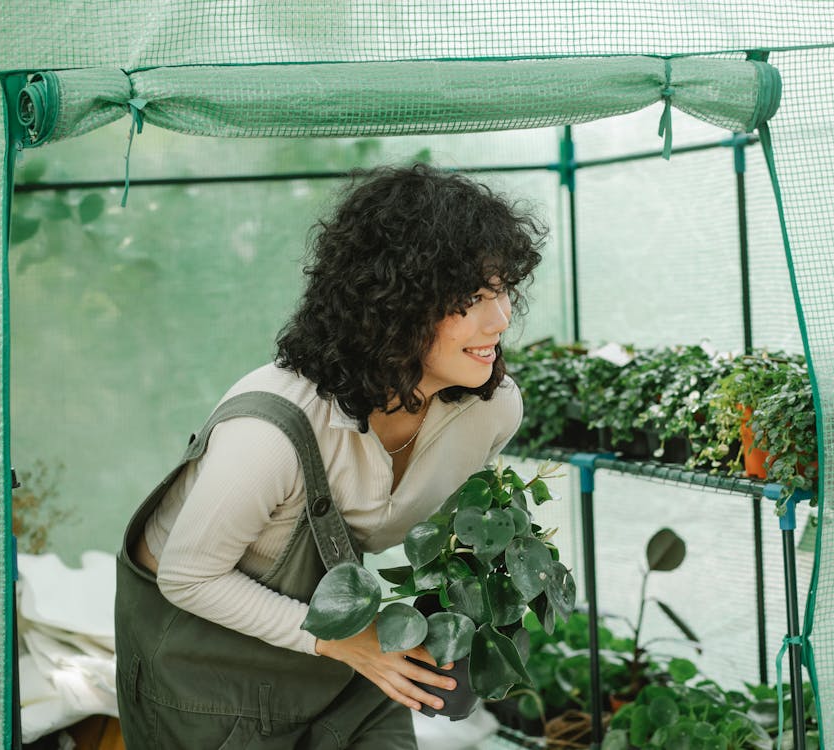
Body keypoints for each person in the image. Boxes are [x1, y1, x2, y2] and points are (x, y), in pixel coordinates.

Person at [114, 163, 546, 749]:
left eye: (501, 293)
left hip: (341, 656)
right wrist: (346, 639)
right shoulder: (269, 432)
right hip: (207, 669)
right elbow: (189, 576)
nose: (499, 321)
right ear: (395, 304)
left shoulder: (490, 411)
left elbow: (457, 537)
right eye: (470, 298)